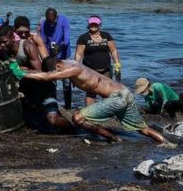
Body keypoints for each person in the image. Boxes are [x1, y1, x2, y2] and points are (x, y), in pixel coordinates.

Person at [23, 58, 173, 146]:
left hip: (117, 98)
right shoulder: (72, 63)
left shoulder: (73, 69)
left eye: (56, 71)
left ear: (58, 67)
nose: (57, 75)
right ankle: (168, 144)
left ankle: (112, 138)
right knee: (143, 129)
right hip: (125, 93)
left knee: (77, 118)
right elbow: (45, 74)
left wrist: (18, 71)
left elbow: (46, 77)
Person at [0, 25, 72, 130]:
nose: (2, 45)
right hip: (27, 92)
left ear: (13, 38)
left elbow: (41, 73)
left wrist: (21, 70)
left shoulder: (27, 47)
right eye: (0, 42)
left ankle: (74, 126)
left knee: (52, 120)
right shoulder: (2, 52)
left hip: (44, 89)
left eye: (5, 42)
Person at [74, 15, 121, 106]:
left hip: (106, 70)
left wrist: (117, 65)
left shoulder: (106, 36)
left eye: (95, 24)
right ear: (88, 24)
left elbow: (113, 51)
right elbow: (78, 54)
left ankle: (105, 112)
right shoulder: (83, 38)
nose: (93, 25)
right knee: (91, 91)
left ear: (100, 25)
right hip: (90, 71)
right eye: (92, 24)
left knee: (107, 91)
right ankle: (89, 113)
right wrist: (76, 68)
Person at [39, 8, 72, 109]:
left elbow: (66, 39)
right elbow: (43, 41)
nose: (51, 24)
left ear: (56, 17)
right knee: (52, 82)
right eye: (49, 21)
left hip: (64, 56)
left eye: (53, 22)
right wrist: (45, 57)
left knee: (66, 83)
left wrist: (60, 47)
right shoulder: (44, 23)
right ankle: (54, 105)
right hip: (51, 56)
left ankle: (67, 106)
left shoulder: (63, 20)